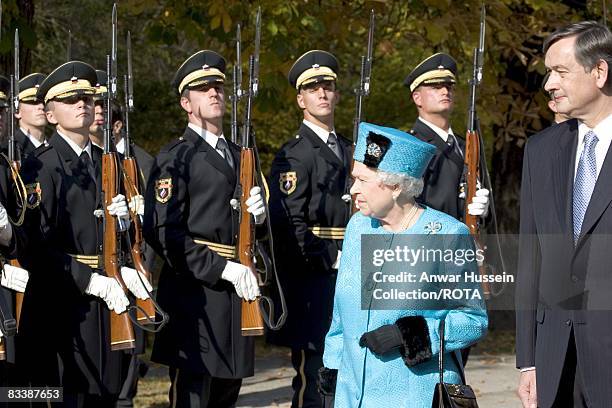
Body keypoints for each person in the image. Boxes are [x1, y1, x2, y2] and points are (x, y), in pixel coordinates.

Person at [321, 122, 488, 407]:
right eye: (354, 179)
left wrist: (411, 334)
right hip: (352, 396)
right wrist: (332, 370)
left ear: (396, 186)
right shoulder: (358, 227)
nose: (353, 189)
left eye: (363, 180)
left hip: (415, 396)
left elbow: (473, 321)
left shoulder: (447, 235)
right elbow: (341, 312)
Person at [17, 60, 152, 406]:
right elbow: (35, 247)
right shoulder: (41, 166)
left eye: (88, 98)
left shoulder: (107, 163)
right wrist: (89, 280)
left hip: (107, 304)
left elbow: (115, 238)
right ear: (50, 115)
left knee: (105, 396)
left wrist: (125, 248)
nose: (83, 104)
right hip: (61, 309)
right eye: (71, 99)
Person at [144, 50, 266, 408]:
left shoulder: (241, 154)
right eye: (202, 89)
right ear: (186, 102)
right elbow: (163, 230)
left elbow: (249, 228)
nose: (214, 93)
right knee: (194, 396)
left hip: (236, 293)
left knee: (227, 394)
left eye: (218, 87)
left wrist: (259, 221)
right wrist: (221, 268)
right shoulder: (176, 156)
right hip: (195, 293)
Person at [516, 21, 612, 408]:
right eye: (547, 72)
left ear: (600, 72)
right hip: (555, 360)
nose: (548, 84)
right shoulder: (541, 150)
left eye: (560, 72)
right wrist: (528, 361)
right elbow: (531, 259)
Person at [267, 50, 351, 408]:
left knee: (351, 373)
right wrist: (332, 257)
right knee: (316, 379)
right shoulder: (295, 154)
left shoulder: (352, 148)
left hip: (355, 269)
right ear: (300, 99)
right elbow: (289, 224)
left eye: (328, 86)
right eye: (313, 88)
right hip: (316, 277)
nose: (322, 93)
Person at [404, 53, 490, 221]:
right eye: (436, 87)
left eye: (449, 87)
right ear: (417, 97)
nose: (445, 91)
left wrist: (485, 212)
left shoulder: (467, 146)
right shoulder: (410, 146)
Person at [13, 73, 48, 159]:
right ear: (17, 112)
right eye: (33, 102)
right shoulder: (12, 150)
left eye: (44, 102)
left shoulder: (54, 147)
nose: (41, 107)